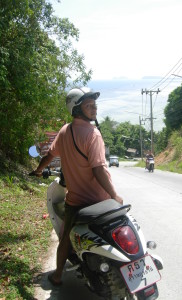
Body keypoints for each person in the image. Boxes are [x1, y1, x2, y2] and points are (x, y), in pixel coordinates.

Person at [31, 87, 123, 286]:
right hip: (100, 198)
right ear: (76, 109)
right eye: (88, 106)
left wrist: (39, 169)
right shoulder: (93, 134)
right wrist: (114, 195)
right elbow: (98, 169)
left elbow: (50, 155)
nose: (94, 109)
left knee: (65, 238)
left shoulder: (65, 131)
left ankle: (57, 275)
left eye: (94, 105)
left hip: (76, 201)